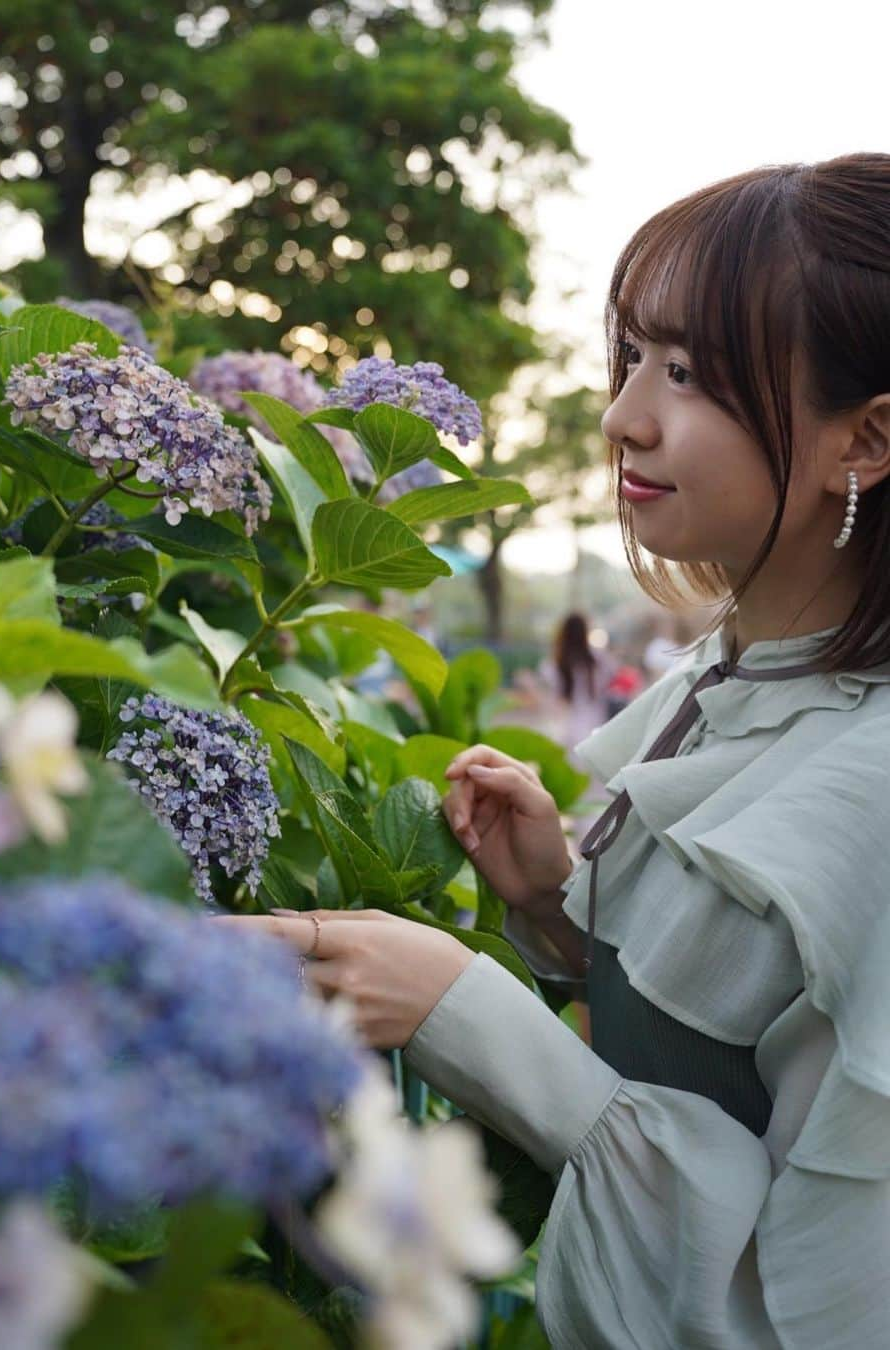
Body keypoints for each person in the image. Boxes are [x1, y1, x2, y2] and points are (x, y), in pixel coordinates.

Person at [220, 154, 890, 1348]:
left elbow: (812, 1302)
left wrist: (465, 1010)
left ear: (869, 439)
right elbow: (721, 1029)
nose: (627, 413)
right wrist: (554, 904)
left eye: (688, 373)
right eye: (630, 356)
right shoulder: (724, 675)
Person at [537, 612, 620, 751]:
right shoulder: (599, 660)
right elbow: (612, 677)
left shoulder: (555, 664)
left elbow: (552, 700)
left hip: (567, 730)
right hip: (597, 726)